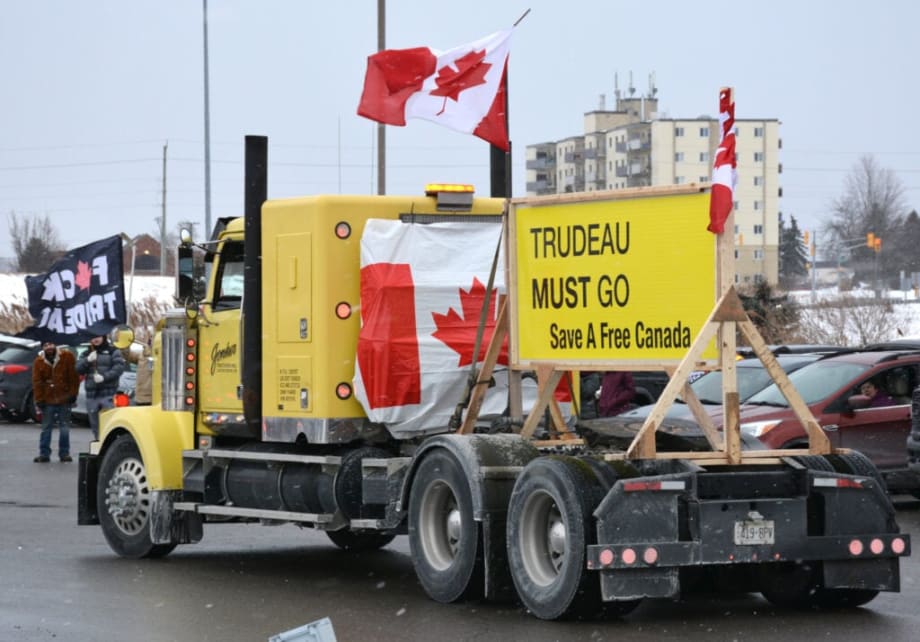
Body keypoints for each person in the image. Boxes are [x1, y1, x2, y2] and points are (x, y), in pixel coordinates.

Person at [32, 341, 80, 463]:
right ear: (42, 347)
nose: (49, 347)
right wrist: (39, 399)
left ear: (56, 345)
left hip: (64, 398)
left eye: (51, 344)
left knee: (64, 427)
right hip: (48, 399)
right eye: (46, 345)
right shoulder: (39, 361)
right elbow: (37, 382)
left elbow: (74, 377)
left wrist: (73, 394)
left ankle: (64, 453)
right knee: (46, 427)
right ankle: (44, 454)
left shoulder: (67, 356)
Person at [76, 334, 126, 439]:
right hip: (92, 395)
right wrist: (87, 360)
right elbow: (78, 369)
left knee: (109, 424)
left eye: (98, 336)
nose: (95, 339)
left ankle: (109, 446)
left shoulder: (113, 351)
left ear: (103, 337)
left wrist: (104, 377)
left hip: (108, 394)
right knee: (95, 425)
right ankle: (98, 445)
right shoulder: (86, 353)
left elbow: (119, 368)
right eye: (93, 337)